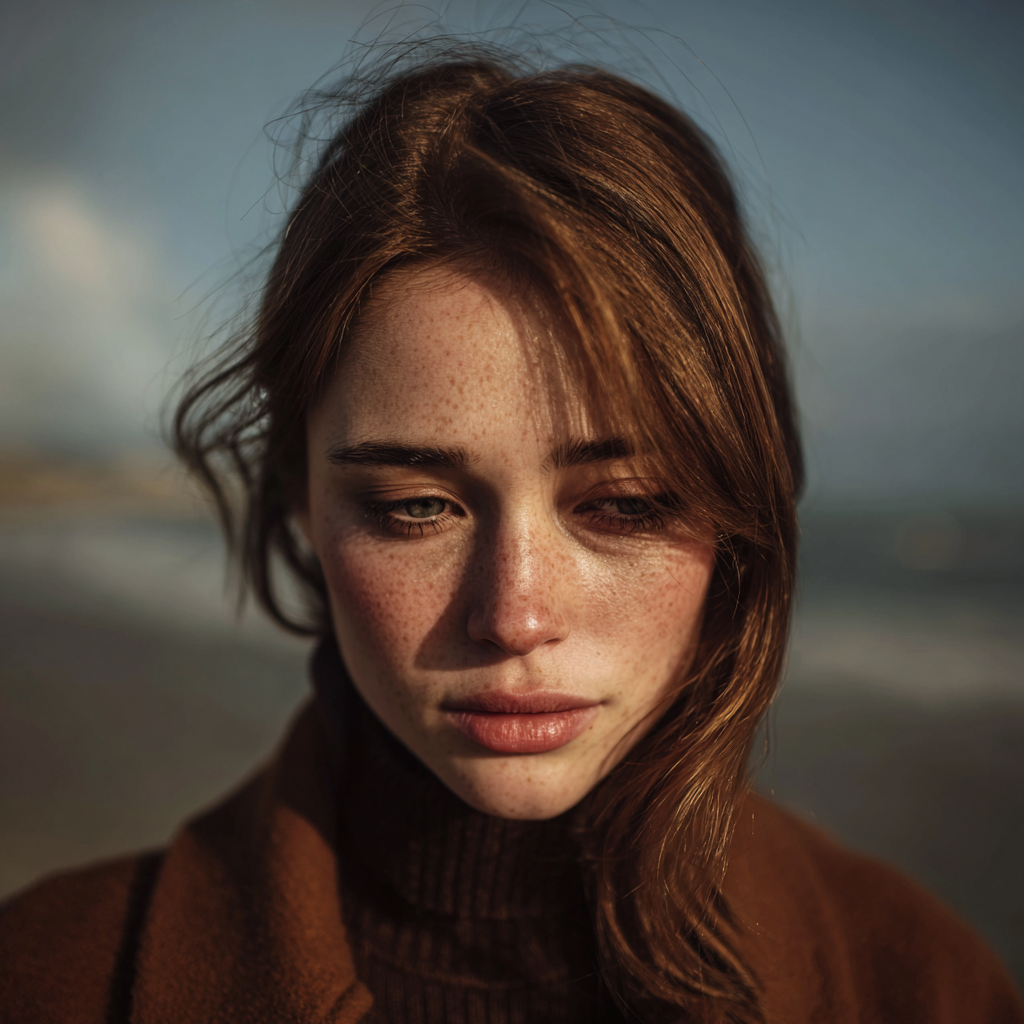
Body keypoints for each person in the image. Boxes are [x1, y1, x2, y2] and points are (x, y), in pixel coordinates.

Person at [1, 46, 1021, 1024]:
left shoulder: (923, 985)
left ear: (741, 508)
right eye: (416, 506)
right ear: (299, 501)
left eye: (622, 504)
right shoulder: (51, 979)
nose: (516, 614)